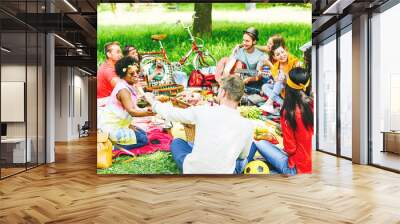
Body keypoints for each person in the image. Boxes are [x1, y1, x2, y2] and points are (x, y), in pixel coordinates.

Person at [144, 75, 254, 174]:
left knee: (177, 142)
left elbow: (172, 113)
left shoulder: (204, 110)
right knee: (247, 152)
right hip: (224, 176)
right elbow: (242, 156)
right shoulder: (248, 125)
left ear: (223, 92)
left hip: (194, 171)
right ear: (240, 97)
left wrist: (153, 102)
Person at [248, 67, 314, 174]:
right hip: (312, 166)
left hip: (295, 168)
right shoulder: (314, 104)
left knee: (256, 140)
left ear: (288, 86)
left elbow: (290, 149)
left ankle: (239, 169)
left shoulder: (289, 111)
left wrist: (278, 146)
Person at [98, 56, 154, 150]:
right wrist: (152, 112)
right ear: (123, 75)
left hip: (121, 124)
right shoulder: (123, 90)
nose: (136, 75)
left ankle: (115, 139)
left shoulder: (129, 84)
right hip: (111, 127)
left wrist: (129, 125)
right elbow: (132, 111)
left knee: (143, 134)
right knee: (143, 139)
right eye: (132, 73)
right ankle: (111, 145)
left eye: (137, 72)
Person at [216, 27, 267, 94]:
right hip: (237, 78)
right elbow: (229, 66)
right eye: (243, 40)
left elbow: (259, 75)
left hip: (251, 82)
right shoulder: (239, 51)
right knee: (222, 63)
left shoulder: (260, 56)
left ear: (254, 42)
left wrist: (248, 78)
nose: (244, 43)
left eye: (247, 41)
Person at [260, 44, 300, 114]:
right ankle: (283, 103)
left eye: (282, 52)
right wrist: (280, 79)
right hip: (283, 91)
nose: (281, 55)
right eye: (278, 54)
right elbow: (277, 83)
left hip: (293, 90)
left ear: (286, 51)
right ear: (274, 57)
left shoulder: (293, 61)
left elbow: (296, 80)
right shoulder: (275, 67)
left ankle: (269, 102)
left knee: (281, 77)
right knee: (265, 86)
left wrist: (285, 77)